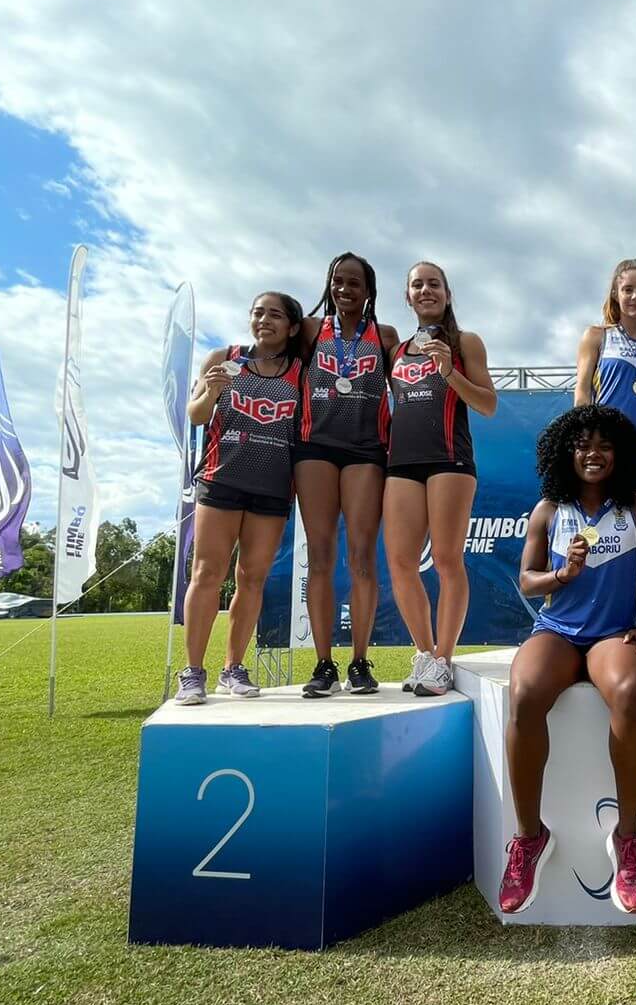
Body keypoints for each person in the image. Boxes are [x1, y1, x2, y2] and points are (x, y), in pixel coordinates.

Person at [498, 405, 636, 916]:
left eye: (604, 445)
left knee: (631, 692)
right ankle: (529, 837)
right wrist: (561, 576)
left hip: (613, 635)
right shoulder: (548, 509)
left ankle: (627, 839)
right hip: (559, 632)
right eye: (582, 445)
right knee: (523, 694)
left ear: (622, 454)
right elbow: (527, 580)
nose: (593, 454)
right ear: (565, 453)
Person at [176, 292, 305, 705]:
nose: (264, 320)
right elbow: (195, 415)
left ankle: (234, 669)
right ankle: (193, 673)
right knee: (207, 574)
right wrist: (210, 393)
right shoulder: (224, 357)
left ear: (292, 327)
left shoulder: (300, 373)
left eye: (275, 315)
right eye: (258, 313)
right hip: (221, 479)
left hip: (272, 487)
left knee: (251, 578)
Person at [384, 261, 497, 697]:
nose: (426, 290)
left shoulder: (465, 342)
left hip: (450, 460)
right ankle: (426, 654)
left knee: (448, 561)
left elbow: (488, 404)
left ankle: (445, 659)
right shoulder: (396, 349)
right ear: (407, 297)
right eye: (417, 284)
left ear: (447, 294)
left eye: (434, 284)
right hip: (401, 464)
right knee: (400, 564)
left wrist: (450, 371)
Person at [293, 251, 399, 698]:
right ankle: (322, 664)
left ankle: (358, 661)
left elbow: (408, 386)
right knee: (319, 555)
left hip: (366, 450)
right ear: (328, 284)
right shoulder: (312, 331)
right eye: (338, 281)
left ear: (369, 289)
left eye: (354, 282)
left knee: (360, 556)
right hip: (314, 446)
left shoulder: (386, 335)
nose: (345, 289)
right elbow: (274, 359)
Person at [574, 259, 636, 510]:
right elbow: (581, 394)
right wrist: (588, 441)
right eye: (628, 289)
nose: (635, 296)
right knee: (604, 529)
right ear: (616, 294)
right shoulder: (597, 335)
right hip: (607, 450)